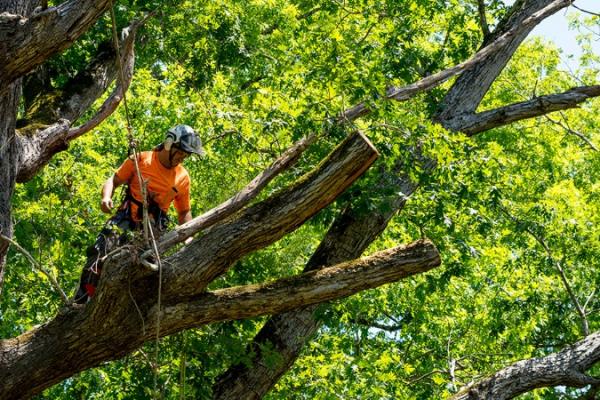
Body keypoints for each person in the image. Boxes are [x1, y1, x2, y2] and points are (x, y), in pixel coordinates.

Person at [73, 124, 204, 304]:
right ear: (168, 144)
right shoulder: (141, 159)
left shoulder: (182, 178)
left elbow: (184, 211)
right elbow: (114, 179)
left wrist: (189, 236)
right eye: (181, 152)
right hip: (125, 218)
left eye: (186, 155)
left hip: (152, 230)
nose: (182, 158)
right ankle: (81, 300)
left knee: (145, 273)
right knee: (98, 255)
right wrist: (106, 197)